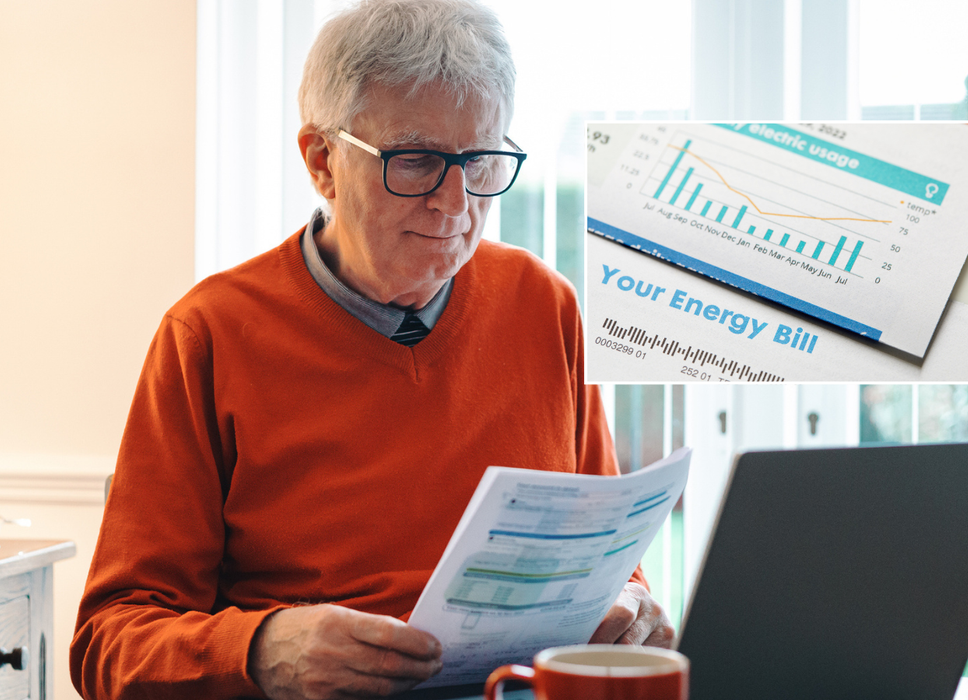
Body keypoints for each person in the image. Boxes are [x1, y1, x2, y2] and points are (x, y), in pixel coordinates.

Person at [70, 2, 673, 699]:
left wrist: (631, 610)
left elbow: (610, 568)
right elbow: (108, 645)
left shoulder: (545, 306)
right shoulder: (207, 335)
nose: (455, 203)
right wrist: (261, 649)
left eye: (480, 160)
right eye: (416, 162)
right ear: (322, 161)